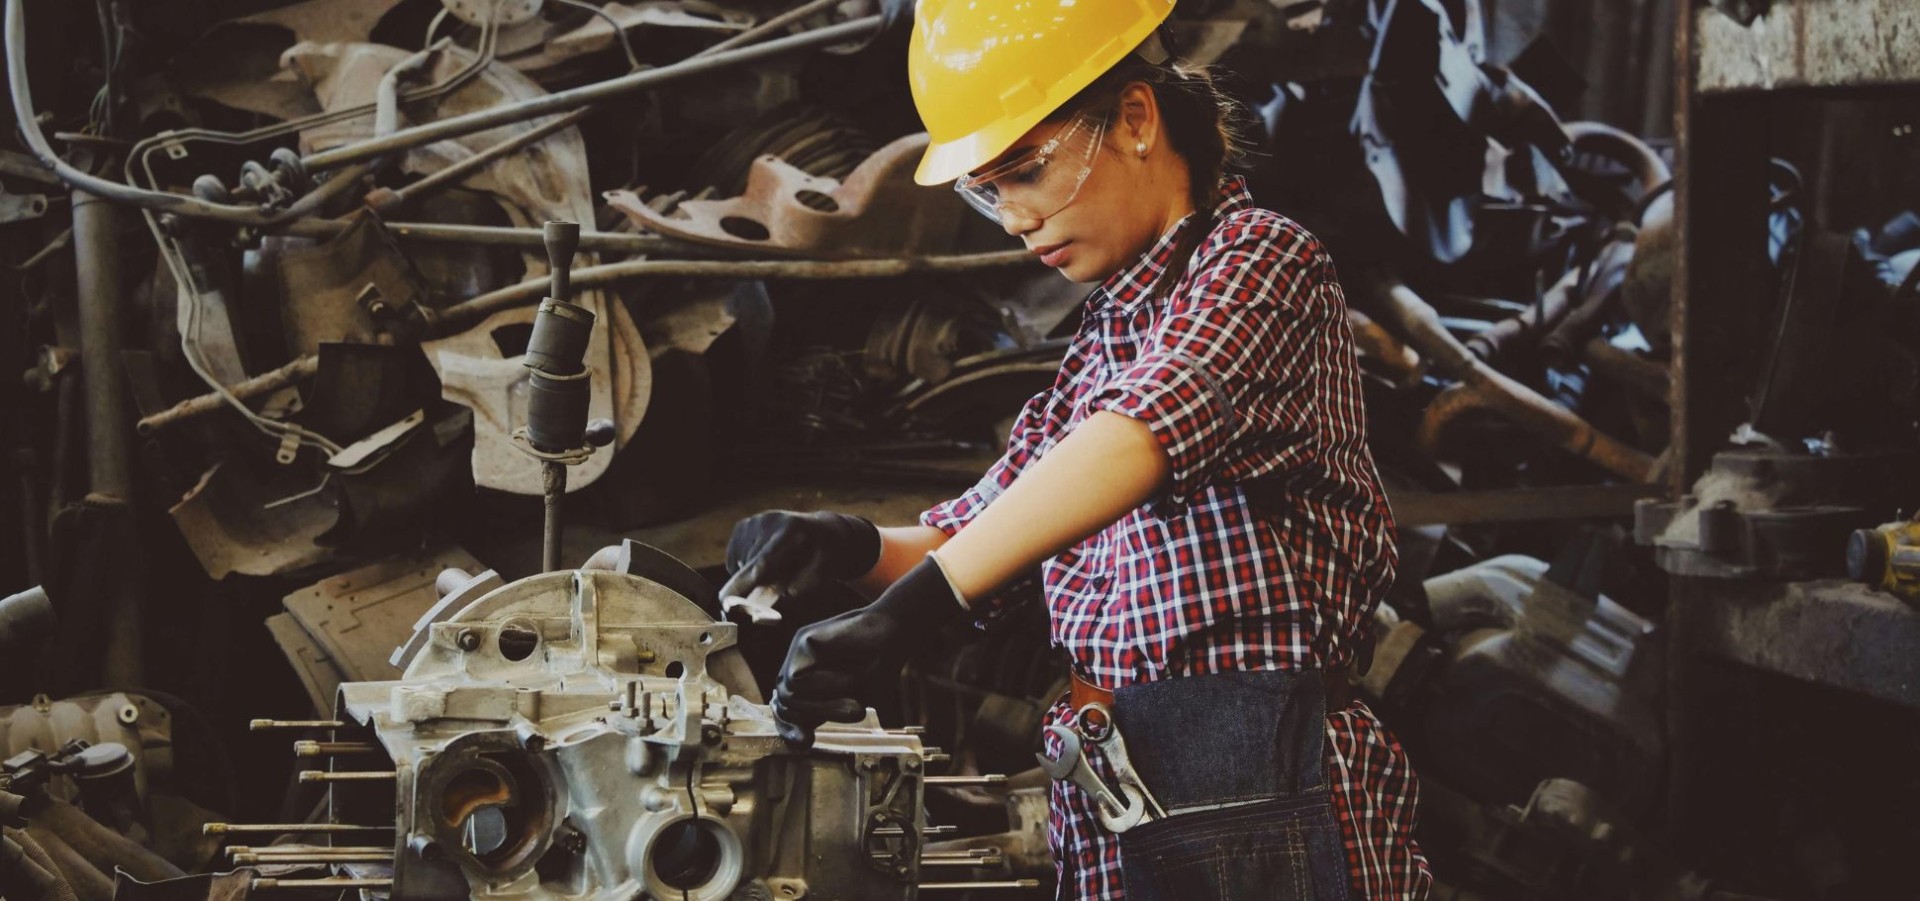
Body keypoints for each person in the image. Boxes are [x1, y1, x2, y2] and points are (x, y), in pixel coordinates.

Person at [719, 0, 1432, 897]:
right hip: (1117, 786)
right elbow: (979, 534)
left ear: (1135, 119)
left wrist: (911, 611)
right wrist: (843, 543)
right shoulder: (1103, 340)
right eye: (987, 190)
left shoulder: (1261, 262)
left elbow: (1138, 438)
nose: (1012, 217)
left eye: (1023, 170)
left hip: (1258, 788)